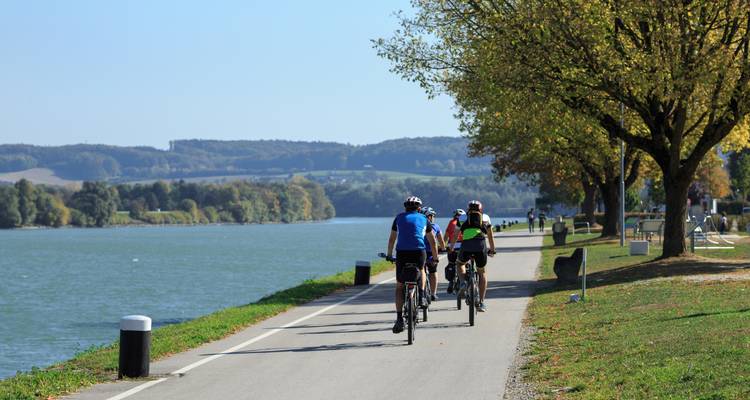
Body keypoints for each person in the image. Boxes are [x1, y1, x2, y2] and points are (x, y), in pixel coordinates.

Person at [386, 196, 439, 334]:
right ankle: (421, 295)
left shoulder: (398, 218)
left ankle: (399, 318)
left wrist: (389, 254)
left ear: (405, 208)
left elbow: (392, 238)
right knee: (421, 269)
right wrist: (436, 256)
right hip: (418, 252)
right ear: (419, 208)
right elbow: (432, 241)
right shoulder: (424, 219)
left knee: (399, 286)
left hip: (402, 253)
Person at [448, 200, 496, 312]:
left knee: (460, 263)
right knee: (482, 272)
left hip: (467, 246)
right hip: (480, 246)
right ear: (481, 209)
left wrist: (451, 248)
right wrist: (492, 250)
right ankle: (482, 302)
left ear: (468, 209)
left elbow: (455, 235)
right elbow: (490, 236)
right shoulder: (486, 218)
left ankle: (463, 282)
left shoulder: (462, 218)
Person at [422, 207, 446, 301]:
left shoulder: (419, 225)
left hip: (419, 252)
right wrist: (443, 249)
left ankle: (421, 291)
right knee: (433, 271)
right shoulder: (435, 227)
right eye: (433, 216)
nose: (433, 218)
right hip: (431, 253)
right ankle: (433, 293)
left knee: (421, 271)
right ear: (429, 217)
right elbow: (441, 241)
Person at [443, 209, 465, 294]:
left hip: (452, 246)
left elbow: (446, 236)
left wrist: (443, 246)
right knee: (464, 263)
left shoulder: (451, 222)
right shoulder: (465, 222)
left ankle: (451, 282)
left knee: (451, 263)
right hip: (463, 246)